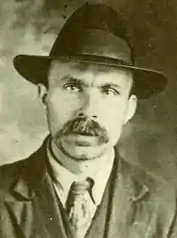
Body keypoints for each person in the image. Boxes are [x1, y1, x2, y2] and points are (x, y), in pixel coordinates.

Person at [0, 2, 176, 238]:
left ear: (129, 108)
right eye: (72, 87)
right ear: (45, 95)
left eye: (109, 91)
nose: (88, 109)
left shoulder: (168, 208)